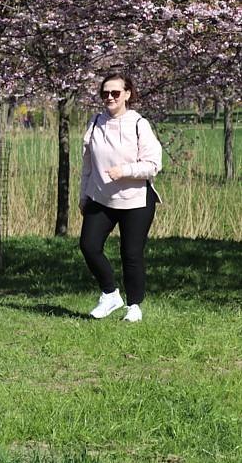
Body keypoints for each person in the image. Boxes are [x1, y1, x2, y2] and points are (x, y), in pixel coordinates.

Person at [79, 72, 162, 322]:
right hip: (100, 196)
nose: (110, 97)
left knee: (131, 254)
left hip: (136, 199)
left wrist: (125, 171)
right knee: (89, 246)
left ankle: (134, 306)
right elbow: (87, 165)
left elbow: (153, 164)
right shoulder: (95, 123)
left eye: (115, 92)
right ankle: (110, 294)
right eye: (105, 93)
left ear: (127, 94)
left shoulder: (139, 124)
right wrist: (84, 196)